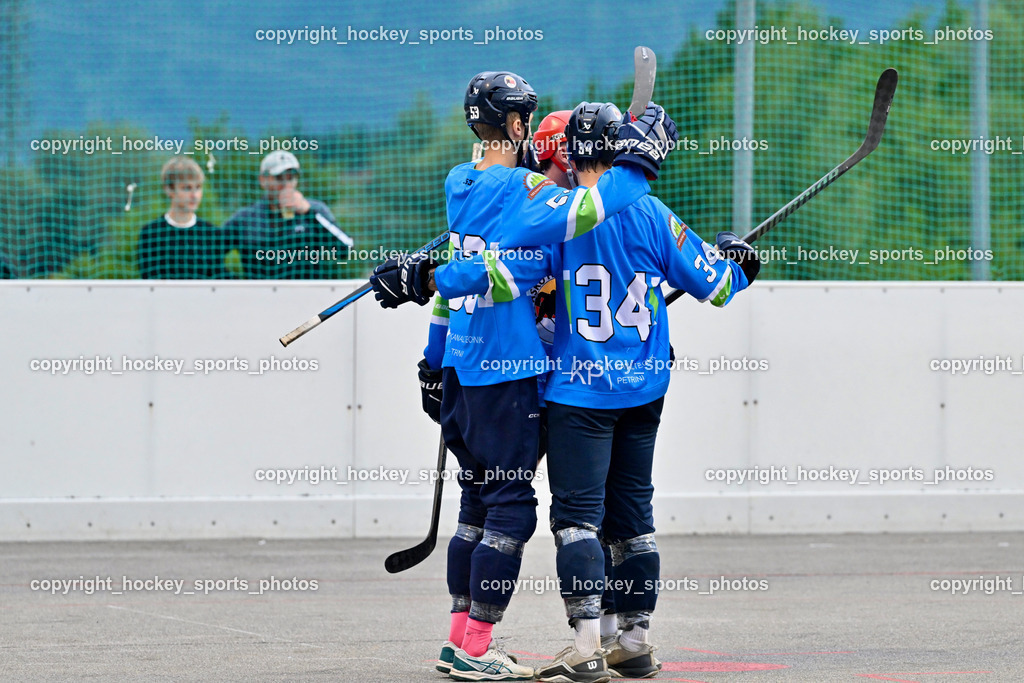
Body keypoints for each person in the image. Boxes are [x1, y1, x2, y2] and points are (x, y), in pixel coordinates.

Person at [401, 101, 759, 682]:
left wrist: (432, 278)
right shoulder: (653, 213)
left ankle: (588, 644)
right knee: (633, 517)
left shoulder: (557, 221)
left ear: (568, 153)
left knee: (576, 522)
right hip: (644, 391)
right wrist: (740, 260)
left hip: (577, 393)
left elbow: (512, 282)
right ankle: (634, 640)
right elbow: (716, 286)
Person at [369, 73, 678, 682]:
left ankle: (457, 638)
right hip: (507, 378)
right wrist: (639, 162)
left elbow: (461, 279)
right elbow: (581, 214)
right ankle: (477, 649)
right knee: (513, 511)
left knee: (477, 505)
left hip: (461, 368)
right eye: (529, 124)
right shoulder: (531, 193)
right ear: (514, 126)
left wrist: (434, 357)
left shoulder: (461, 181)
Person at [224, 150, 353, 278]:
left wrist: (309, 213)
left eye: (291, 178)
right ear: (263, 180)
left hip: (306, 295)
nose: (286, 185)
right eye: (279, 178)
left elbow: (346, 248)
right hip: (261, 296)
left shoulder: (315, 211)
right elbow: (211, 254)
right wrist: (237, 284)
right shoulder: (246, 219)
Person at [137, 156, 234, 279]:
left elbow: (218, 277)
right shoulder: (151, 234)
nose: (194, 195)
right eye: (187, 188)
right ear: (169, 189)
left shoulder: (212, 234)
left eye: (198, 187)